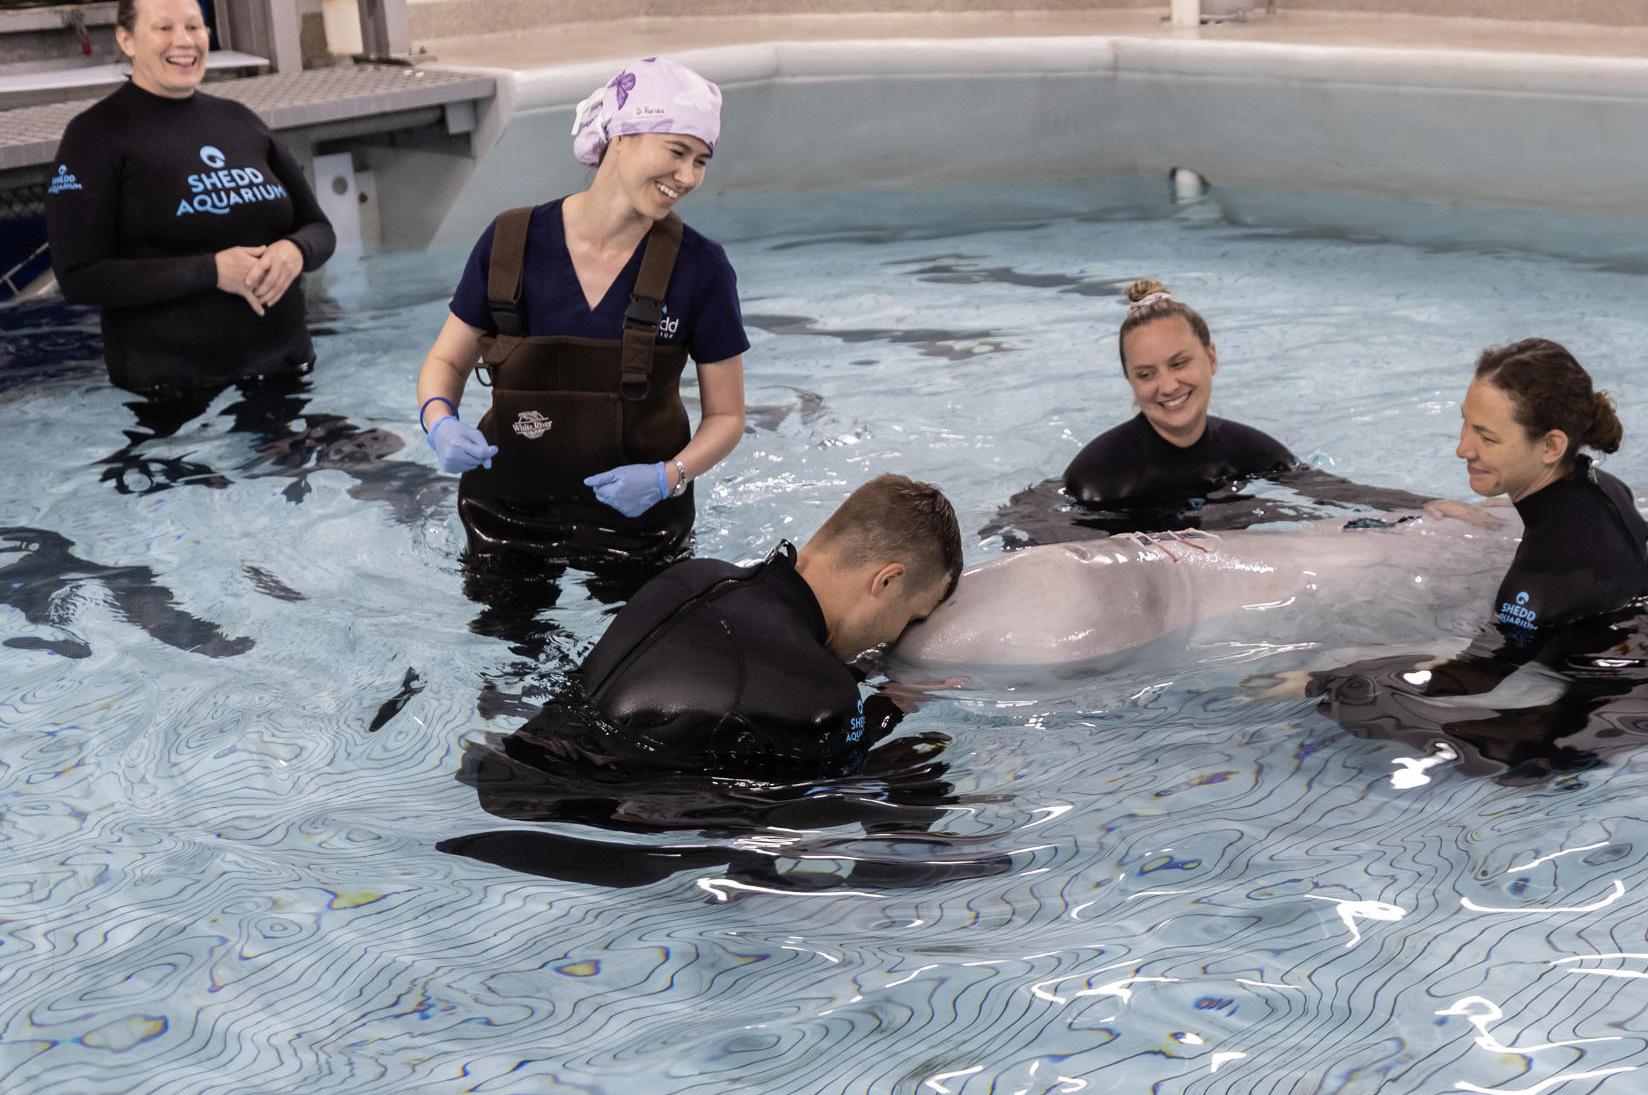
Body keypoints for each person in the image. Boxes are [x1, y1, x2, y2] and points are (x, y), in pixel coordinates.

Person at [1301, 338, 1648, 781]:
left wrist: (1330, 678)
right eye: (1465, 425)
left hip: (1599, 721)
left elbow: (1481, 674)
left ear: (1551, 445)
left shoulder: (1543, 570)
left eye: (1486, 436)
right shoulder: (1602, 484)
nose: (1463, 448)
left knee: (1361, 700)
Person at [414, 58, 748, 604]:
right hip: (508, 515)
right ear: (621, 136)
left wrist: (670, 476)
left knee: (637, 670)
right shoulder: (510, 242)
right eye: (677, 152)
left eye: (701, 160)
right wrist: (438, 422)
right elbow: (446, 363)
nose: (688, 177)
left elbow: (728, 416)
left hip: (640, 529)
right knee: (504, 672)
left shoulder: (701, 268)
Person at [481, 473, 964, 789]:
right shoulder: (824, 699)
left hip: (497, 772)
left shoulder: (692, 578)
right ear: (887, 580)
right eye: (912, 617)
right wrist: (894, 706)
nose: (896, 636)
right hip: (578, 848)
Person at [981, 279, 1429, 547]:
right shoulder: (1099, 476)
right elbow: (1040, 541)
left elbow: (1331, 491)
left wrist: (1430, 507)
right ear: (1131, 383)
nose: (1169, 386)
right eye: (1146, 373)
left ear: (1211, 358)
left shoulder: (1249, 449)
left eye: (1180, 363)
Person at [44, 0, 336, 396]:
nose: (184, 41)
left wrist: (295, 251)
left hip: (287, 373)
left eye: (194, 27)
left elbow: (318, 228)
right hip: (176, 398)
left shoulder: (239, 120)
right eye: (164, 28)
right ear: (126, 39)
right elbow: (79, 276)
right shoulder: (96, 135)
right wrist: (211, 271)